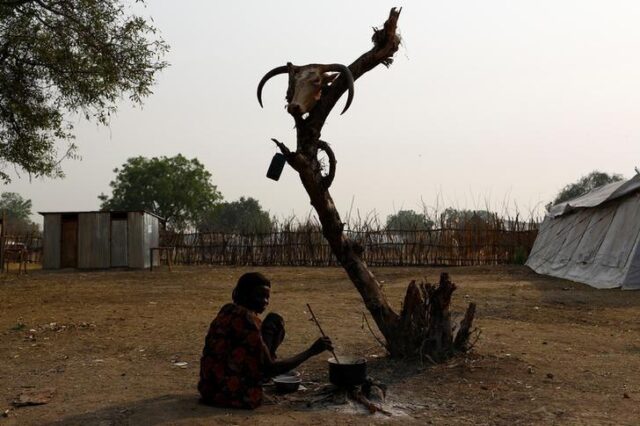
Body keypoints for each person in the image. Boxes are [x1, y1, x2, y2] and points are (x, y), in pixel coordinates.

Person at [198, 272, 333, 409]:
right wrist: (311, 351)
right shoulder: (248, 320)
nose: (265, 302)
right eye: (260, 296)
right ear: (245, 295)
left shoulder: (227, 310)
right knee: (273, 329)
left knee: (274, 320)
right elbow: (270, 369)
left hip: (208, 389)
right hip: (232, 395)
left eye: (267, 297)